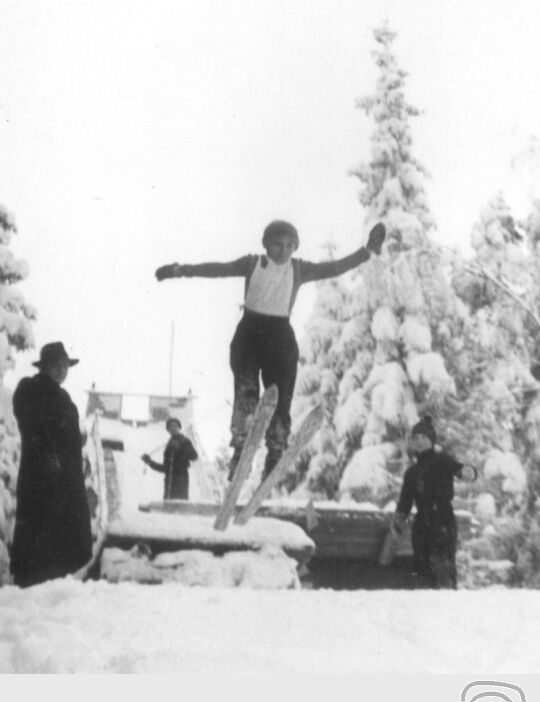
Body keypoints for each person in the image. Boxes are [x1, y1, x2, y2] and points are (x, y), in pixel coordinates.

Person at [155, 219, 385, 479]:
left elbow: (333, 268)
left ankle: (276, 450)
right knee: (246, 394)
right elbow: (216, 269)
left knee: (280, 398)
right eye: (277, 245)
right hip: (249, 336)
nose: (283, 251)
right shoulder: (252, 264)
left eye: (290, 246)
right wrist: (179, 270)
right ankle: (241, 449)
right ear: (266, 245)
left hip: (280, 338)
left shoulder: (299, 269)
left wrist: (366, 252)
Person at [10, 342, 92, 587]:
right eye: (56, 365)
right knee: (41, 531)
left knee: (64, 535)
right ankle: (34, 584)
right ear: (43, 366)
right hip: (42, 476)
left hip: (66, 479)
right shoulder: (30, 388)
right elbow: (31, 423)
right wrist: (47, 454)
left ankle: (57, 585)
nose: (61, 370)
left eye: (65, 365)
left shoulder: (64, 396)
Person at [393, 415, 477, 589]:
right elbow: (405, 502)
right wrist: (400, 520)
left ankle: (447, 605)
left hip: (442, 518)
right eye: (416, 438)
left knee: (442, 565)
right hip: (421, 521)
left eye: (423, 437)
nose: (420, 441)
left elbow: (459, 469)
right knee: (421, 567)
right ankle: (425, 609)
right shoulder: (412, 472)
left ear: (431, 440)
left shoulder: (442, 460)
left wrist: (467, 472)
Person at [141, 417, 198, 500]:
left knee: (180, 505)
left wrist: (180, 448)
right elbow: (165, 468)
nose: (173, 428)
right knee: (168, 504)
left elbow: (194, 456)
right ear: (168, 430)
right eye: (170, 427)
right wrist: (149, 462)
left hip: (181, 477)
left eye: (175, 426)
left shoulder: (185, 441)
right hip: (169, 481)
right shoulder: (169, 445)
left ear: (179, 427)